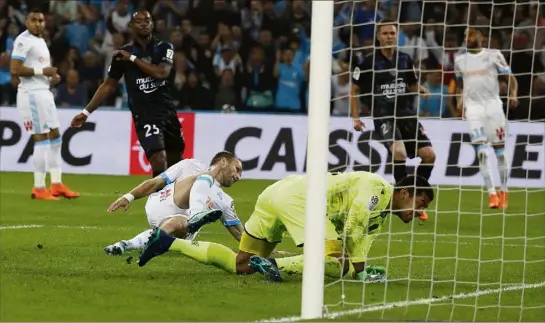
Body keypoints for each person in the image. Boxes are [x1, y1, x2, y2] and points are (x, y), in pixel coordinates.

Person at [137, 172, 434, 283]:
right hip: (300, 200)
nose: (421, 212)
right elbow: (355, 223)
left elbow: (362, 241)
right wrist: (356, 269)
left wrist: (362, 269)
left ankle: (168, 241)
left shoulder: (381, 215)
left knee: (241, 265)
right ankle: (274, 265)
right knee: (336, 263)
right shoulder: (377, 188)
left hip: (275, 194)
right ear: (405, 193)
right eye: (420, 203)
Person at [70, 10, 184, 178]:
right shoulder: (121, 54)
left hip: (167, 112)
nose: (144, 23)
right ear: (131, 26)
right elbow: (108, 85)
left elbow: (161, 73)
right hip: (145, 115)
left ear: (152, 24)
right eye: (139, 21)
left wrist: (131, 59)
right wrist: (86, 112)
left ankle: (174, 201)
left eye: (147, 20)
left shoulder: (164, 47)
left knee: (176, 163)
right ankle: (157, 203)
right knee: (158, 160)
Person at [351, 18, 435, 221]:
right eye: (386, 33)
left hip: (406, 114)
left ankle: (415, 196)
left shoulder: (405, 59)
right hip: (384, 115)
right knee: (399, 152)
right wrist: (356, 117)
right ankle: (404, 200)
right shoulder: (366, 63)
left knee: (429, 155)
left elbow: (412, 85)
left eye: (392, 33)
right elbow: (354, 90)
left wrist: (420, 89)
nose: (389, 36)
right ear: (378, 37)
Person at [104, 153, 244, 255]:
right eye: (237, 169)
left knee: (175, 224)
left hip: (183, 228)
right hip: (159, 204)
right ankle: (197, 214)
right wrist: (129, 197)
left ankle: (125, 245)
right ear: (224, 161)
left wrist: (260, 251)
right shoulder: (190, 165)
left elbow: (240, 235)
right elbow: (156, 183)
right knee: (204, 177)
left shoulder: (225, 201)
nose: (238, 177)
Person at [10, 9, 79, 200]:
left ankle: (56, 184)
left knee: (56, 135)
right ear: (26, 22)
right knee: (41, 139)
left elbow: (40, 71)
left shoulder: (40, 40)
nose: (38, 24)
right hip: (31, 95)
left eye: (41, 20)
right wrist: (44, 71)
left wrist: (49, 77)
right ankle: (39, 187)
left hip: (44, 93)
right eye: (34, 20)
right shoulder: (23, 40)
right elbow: (15, 69)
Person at [454, 28, 518, 209]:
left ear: (481, 37)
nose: (467, 38)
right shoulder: (459, 60)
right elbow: (460, 84)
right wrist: (460, 100)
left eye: (471, 34)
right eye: (465, 35)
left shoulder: (494, 55)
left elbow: (511, 78)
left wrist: (513, 94)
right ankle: (491, 194)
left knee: (499, 151)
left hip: (493, 106)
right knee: (481, 152)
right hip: (473, 108)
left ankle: (503, 191)